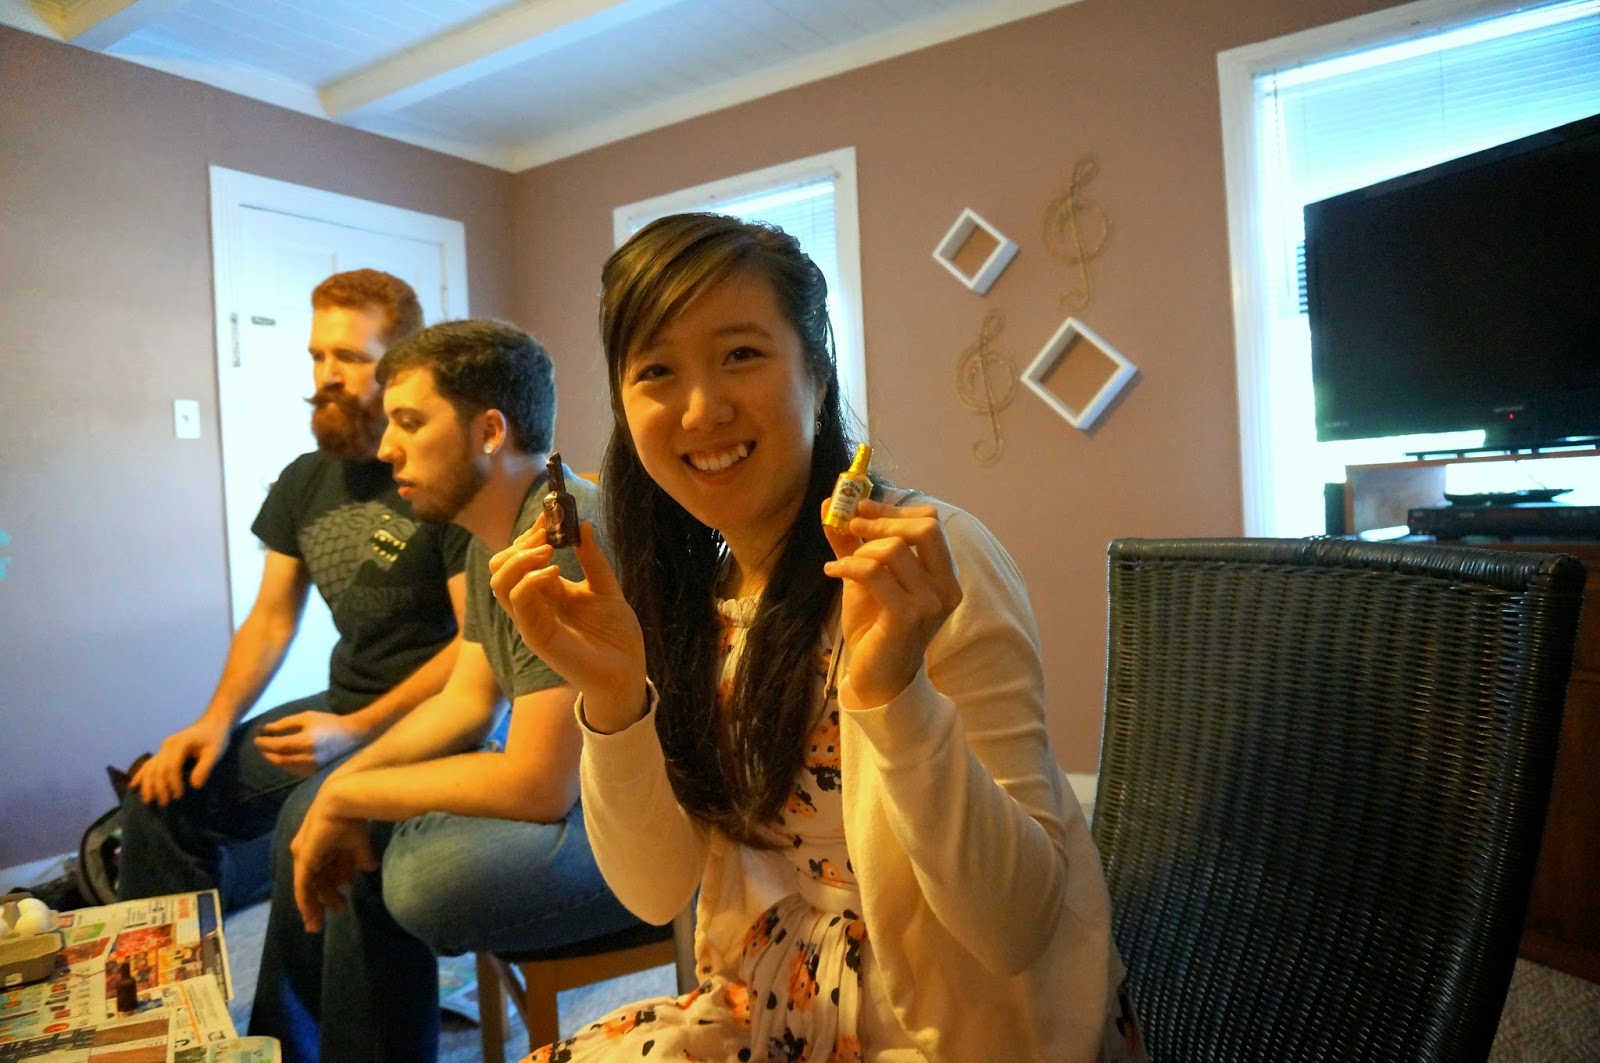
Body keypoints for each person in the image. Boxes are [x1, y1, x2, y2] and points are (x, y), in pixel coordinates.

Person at [487, 213, 1145, 1061]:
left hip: (951, 1028)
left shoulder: (923, 565)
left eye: (741, 354)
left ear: (818, 373)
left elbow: (1016, 926)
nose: (703, 408)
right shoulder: (697, 598)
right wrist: (612, 698)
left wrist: (894, 694)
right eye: (657, 371)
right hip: (766, 1003)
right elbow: (654, 890)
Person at [248, 319, 639, 1062]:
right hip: (574, 795)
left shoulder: (560, 540)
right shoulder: (495, 535)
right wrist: (344, 787)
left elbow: (538, 785)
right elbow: (466, 699)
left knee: (422, 879)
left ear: (489, 431)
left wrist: (353, 794)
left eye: (409, 421)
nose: (386, 447)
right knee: (330, 809)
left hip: (642, 826)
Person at [118, 269, 470, 914]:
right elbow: (271, 620)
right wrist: (214, 722)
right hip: (342, 707)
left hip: (435, 723)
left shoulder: (440, 476)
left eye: (350, 357)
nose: (326, 375)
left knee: (311, 824)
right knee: (161, 800)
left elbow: (477, 648)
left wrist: (356, 730)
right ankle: (180, 980)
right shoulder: (304, 480)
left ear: (401, 368)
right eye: (317, 355)